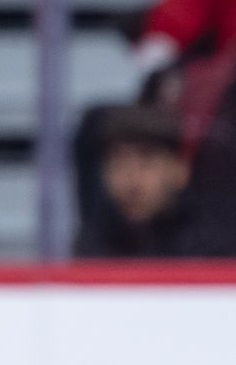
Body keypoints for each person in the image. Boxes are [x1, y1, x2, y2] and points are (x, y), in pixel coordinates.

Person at [74, 105, 236, 259]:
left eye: (147, 162)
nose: (131, 181)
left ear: (181, 170)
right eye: (118, 163)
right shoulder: (92, 245)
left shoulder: (216, 248)